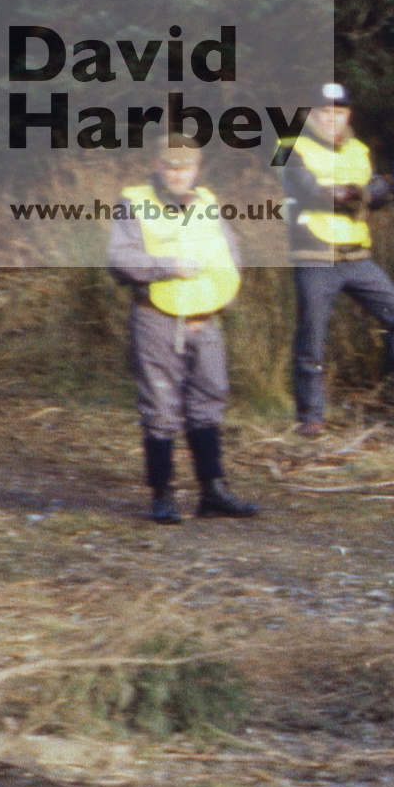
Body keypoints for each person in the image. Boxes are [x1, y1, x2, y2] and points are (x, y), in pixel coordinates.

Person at [106, 137, 263, 525]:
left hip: (205, 319)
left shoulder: (208, 203)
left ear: (197, 168)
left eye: (185, 167)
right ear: (158, 165)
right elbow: (119, 259)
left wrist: (216, 301)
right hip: (155, 317)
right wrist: (168, 265)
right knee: (160, 407)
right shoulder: (134, 202)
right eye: (170, 166)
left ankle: (214, 490)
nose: (177, 174)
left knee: (209, 401)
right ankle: (162, 494)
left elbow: (230, 256)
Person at [280, 83, 394, 438]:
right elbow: (311, 192)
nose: (332, 118)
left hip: (357, 254)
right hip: (315, 255)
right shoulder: (290, 147)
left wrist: (352, 193)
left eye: (339, 112)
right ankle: (311, 416)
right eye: (325, 112)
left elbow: (384, 191)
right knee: (313, 334)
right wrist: (359, 195)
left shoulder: (358, 149)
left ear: (347, 114)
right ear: (312, 114)